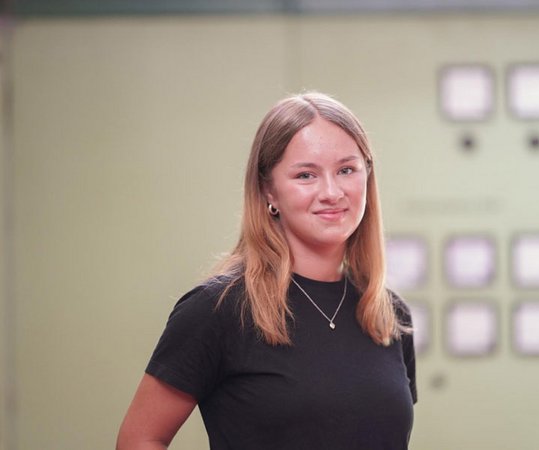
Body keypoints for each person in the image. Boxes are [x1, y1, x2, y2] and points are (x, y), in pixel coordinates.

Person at [116, 92, 417, 450]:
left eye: (346, 170)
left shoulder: (387, 315)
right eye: (306, 175)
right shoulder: (220, 309)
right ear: (268, 191)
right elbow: (139, 439)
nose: (332, 192)